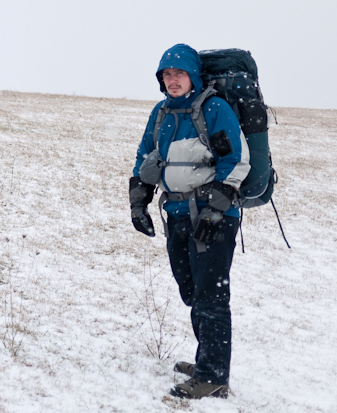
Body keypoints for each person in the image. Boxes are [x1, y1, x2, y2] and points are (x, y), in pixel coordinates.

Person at [129, 44, 250, 399]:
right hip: (177, 214)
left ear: (193, 76)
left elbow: (236, 160)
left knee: (210, 296)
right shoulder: (162, 112)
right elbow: (145, 156)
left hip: (212, 216)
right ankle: (205, 360)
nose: (172, 80)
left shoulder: (214, 108)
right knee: (191, 290)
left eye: (179, 74)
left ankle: (213, 376)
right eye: (166, 75)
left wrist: (216, 209)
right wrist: (139, 201)